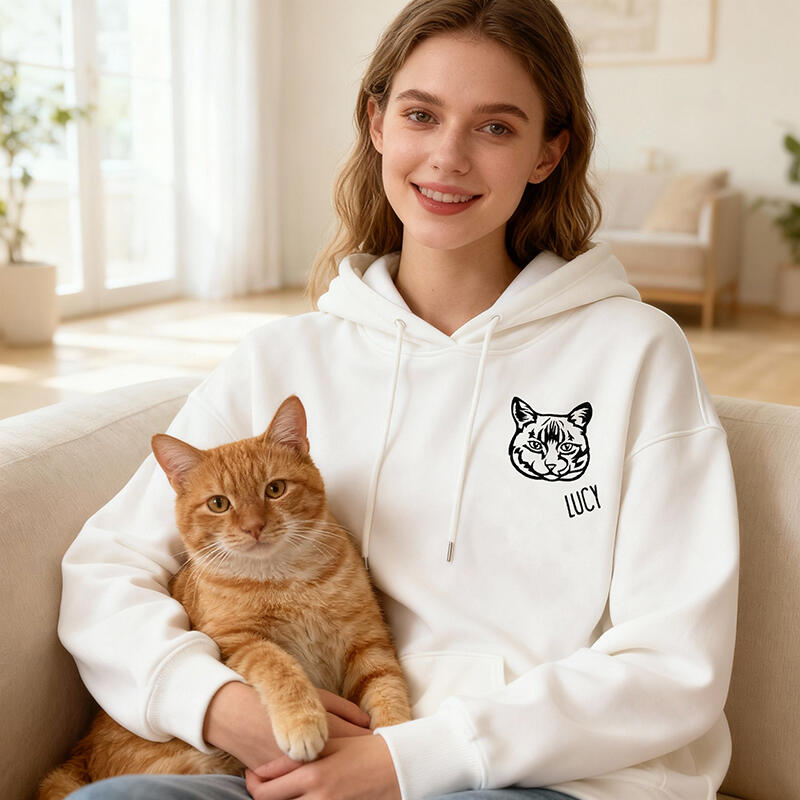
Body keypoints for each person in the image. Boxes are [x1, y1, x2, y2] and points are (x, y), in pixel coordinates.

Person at [61, 0, 739, 798]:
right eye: (422, 114)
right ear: (378, 122)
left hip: (544, 778)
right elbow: (107, 566)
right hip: (296, 761)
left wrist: (409, 761)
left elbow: (676, 663)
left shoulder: (635, 353)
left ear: (549, 152)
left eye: (495, 127)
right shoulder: (283, 358)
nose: (447, 157)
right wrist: (216, 704)